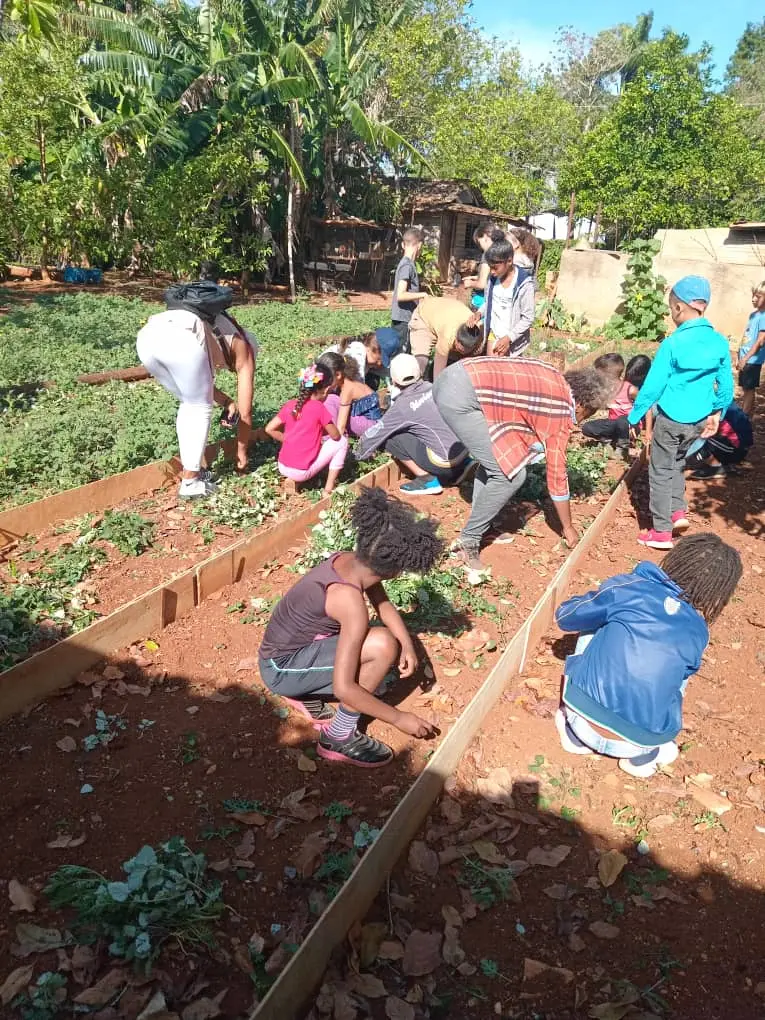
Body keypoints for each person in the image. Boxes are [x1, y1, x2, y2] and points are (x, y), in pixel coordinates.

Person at [258, 487, 443, 767]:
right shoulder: (349, 601)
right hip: (280, 668)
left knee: (386, 647)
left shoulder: (349, 561)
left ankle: (306, 692)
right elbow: (345, 689)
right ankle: (339, 737)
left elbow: (382, 603)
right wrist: (399, 718)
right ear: (394, 570)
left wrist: (407, 643)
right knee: (381, 646)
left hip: (292, 654)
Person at [554, 533, 742, 778]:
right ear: (719, 590)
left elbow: (566, 618)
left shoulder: (630, 588)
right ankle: (643, 758)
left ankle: (572, 734)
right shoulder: (699, 631)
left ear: (675, 559)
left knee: (597, 621)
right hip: (639, 742)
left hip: (582, 721)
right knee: (677, 673)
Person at [433, 358, 616, 570]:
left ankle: (483, 524)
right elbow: (557, 477)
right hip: (459, 397)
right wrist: (568, 527)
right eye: (590, 413)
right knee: (510, 475)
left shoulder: (557, 378)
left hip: (455, 374)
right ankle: (468, 542)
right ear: (584, 405)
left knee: (497, 461)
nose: (583, 420)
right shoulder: (560, 412)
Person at [627, 275, 734, 550]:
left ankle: (661, 531)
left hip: (672, 419)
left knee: (660, 470)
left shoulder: (673, 344)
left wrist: (634, 415)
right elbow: (725, 384)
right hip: (698, 421)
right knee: (676, 463)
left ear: (678, 308)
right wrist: (716, 413)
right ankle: (677, 512)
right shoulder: (719, 342)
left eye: (671, 307)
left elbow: (653, 386)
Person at [136, 263, 258, 499]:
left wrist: (226, 402)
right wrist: (242, 453)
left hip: (148, 336)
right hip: (182, 335)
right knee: (198, 406)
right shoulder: (245, 352)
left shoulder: (224, 326)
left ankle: (192, 471)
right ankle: (191, 483)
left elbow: (201, 386)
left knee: (189, 401)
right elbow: (246, 413)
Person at [356, 354, 473, 496]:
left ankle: (426, 480)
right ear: (420, 372)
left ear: (393, 380)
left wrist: (358, 453)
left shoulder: (402, 406)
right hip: (465, 448)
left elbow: (377, 432)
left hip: (443, 462)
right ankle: (463, 465)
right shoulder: (432, 387)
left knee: (390, 438)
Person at [264, 364, 348, 496]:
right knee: (342, 442)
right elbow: (336, 436)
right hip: (301, 472)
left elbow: (269, 429)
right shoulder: (319, 408)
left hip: (283, 466)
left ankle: (293, 480)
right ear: (326, 390)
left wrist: (287, 439)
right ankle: (328, 489)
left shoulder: (291, 404)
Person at [478, 240, 535, 357]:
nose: (492, 272)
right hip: (494, 334)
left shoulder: (524, 284)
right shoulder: (493, 279)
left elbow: (528, 318)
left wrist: (509, 337)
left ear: (509, 261)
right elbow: (489, 302)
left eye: (495, 268)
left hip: (513, 339)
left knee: (506, 373)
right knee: (492, 371)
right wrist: (479, 313)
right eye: (490, 267)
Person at [582, 354, 652, 449]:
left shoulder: (630, 390)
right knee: (587, 427)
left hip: (630, 425)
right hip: (613, 424)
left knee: (622, 421)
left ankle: (623, 447)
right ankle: (609, 440)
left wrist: (648, 433)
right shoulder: (607, 390)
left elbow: (647, 408)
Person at [318, 351, 383, 437]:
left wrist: (338, 435)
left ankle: (332, 437)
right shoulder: (345, 382)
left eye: (327, 379)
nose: (325, 383)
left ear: (338, 375)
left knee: (330, 400)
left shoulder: (347, 389)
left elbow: (341, 426)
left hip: (371, 426)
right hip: (368, 422)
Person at [407, 295, 475, 376]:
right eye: (459, 349)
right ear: (456, 339)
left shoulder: (479, 331)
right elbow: (438, 374)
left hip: (444, 316)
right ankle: (409, 384)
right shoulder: (447, 336)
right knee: (421, 362)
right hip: (425, 316)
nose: (461, 351)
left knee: (455, 365)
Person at [686, 401, 754, 478]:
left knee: (693, 443)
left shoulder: (707, 405)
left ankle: (716, 467)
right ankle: (717, 460)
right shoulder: (723, 399)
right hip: (737, 445)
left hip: (734, 448)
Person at [391, 227, 427, 348]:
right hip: (403, 320)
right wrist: (423, 295)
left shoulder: (406, 264)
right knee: (401, 357)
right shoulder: (407, 265)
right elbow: (401, 295)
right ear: (419, 245)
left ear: (402, 245)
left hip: (402, 318)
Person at [737, 280, 765, 418]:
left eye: (758, 296)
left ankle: (744, 416)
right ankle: (746, 414)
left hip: (753, 360)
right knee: (745, 387)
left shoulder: (764, 317)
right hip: (745, 357)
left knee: (749, 389)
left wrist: (746, 358)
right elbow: (747, 336)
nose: (753, 298)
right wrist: (739, 356)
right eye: (753, 295)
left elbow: (760, 340)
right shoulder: (753, 315)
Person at [462, 223, 507, 300]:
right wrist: (477, 277)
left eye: (479, 243)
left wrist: (469, 283)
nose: (480, 247)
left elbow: (482, 284)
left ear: (485, 236)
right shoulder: (506, 250)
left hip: (484, 299)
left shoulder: (487, 254)